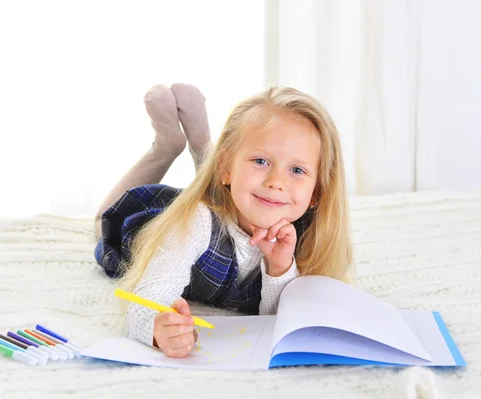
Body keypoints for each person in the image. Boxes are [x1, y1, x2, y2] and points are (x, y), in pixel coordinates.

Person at [94, 83, 353, 358]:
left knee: (230, 193)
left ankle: (204, 150)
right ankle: (166, 147)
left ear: (317, 192)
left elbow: (276, 323)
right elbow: (148, 300)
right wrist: (159, 327)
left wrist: (279, 268)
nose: (276, 182)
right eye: (261, 161)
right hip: (152, 221)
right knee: (101, 223)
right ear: (226, 167)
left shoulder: (309, 237)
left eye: (297, 170)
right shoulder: (195, 222)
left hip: (230, 196)